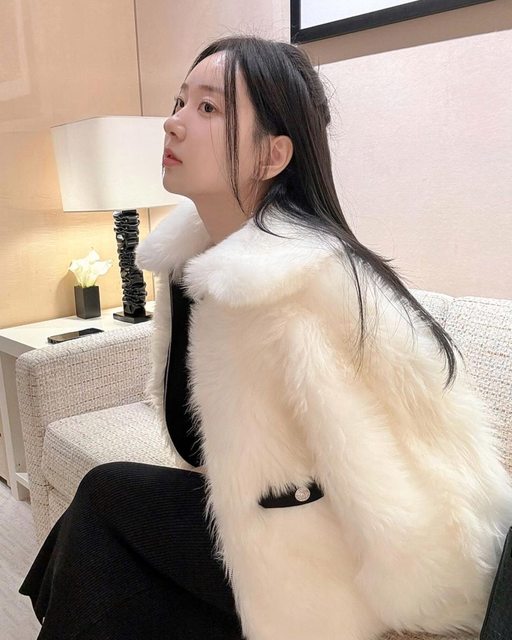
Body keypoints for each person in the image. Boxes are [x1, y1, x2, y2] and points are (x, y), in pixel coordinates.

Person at [20, 35, 512, 640]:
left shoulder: (307, 286)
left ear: (272, 155)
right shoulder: (196, 264)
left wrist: (419, 617)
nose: (173, 123)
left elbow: (413, 481)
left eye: (208, 108)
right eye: (179, 102)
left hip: (322, 576)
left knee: (106, 505)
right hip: (256, 529)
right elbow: (206, 444)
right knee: (106, 528)